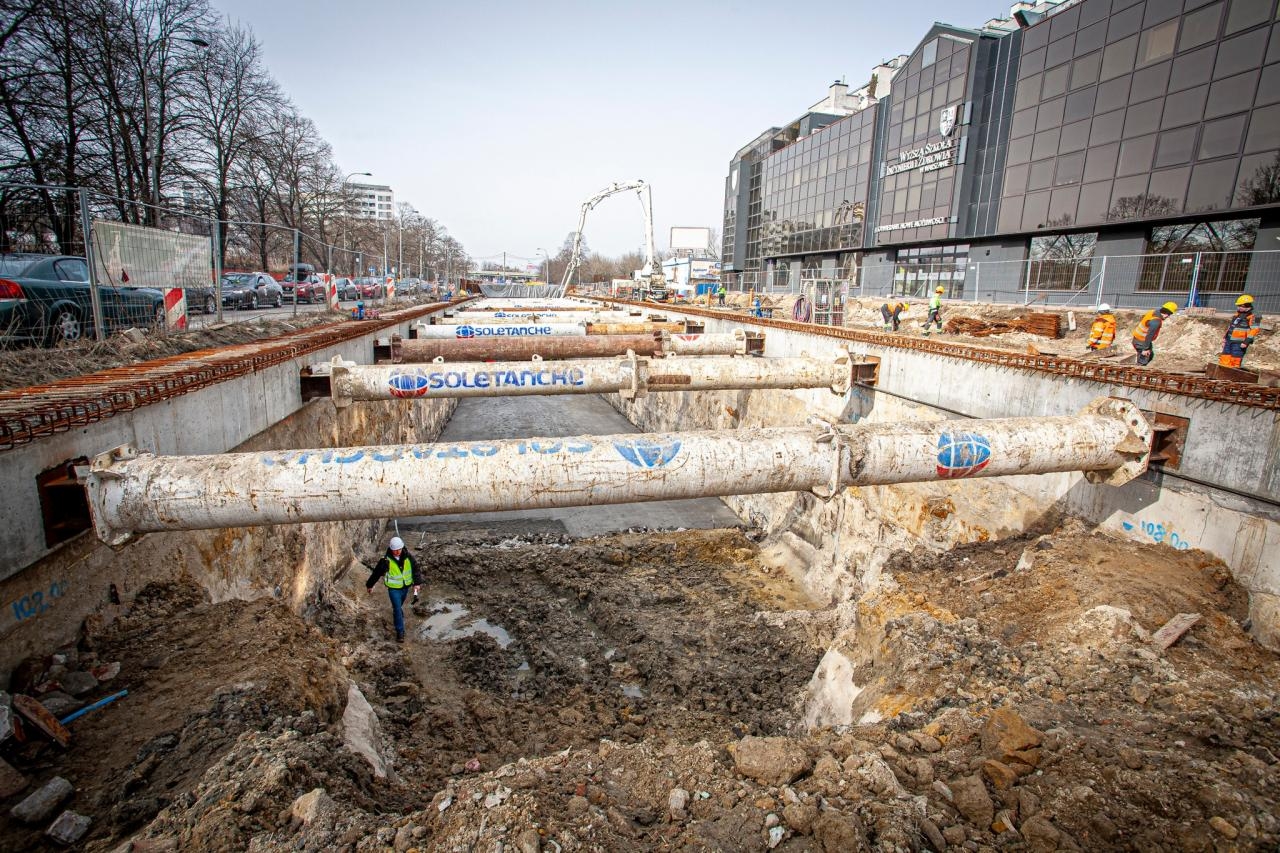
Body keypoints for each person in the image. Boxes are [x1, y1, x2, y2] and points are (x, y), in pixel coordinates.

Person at [365, 536, 419, 643]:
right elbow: (376, 573)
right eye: (394, 550)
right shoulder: (385, 560)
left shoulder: (408, 557)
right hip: (393, 589)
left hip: (405, 588)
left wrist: (417, 583)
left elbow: (416, 569)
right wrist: (370, 585)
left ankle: (398, 615)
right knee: (397, 608)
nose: (397, 552)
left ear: (402, 548)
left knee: (399, 607)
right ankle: (400, 632)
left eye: (398, 550)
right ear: (391, 549)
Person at [1219, 294, 1262, 368]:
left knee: (1235, 359)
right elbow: (1231, 327)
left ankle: (1233, 376)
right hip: (1229, 340)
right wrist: (1224, 338)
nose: (1238, 307)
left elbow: (1254, 330)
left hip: (1239, 343)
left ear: (1247, 306)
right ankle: (1222, 372)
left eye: (1240, 306)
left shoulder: (1255, 316)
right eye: (1238, 306)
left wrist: (1246, 341)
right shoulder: (1237, 314)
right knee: (1225, 357)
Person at [1131, 302, 1178, 366]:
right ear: (1167, 313)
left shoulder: (1153, 312)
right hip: (1141, 341)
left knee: (1150, 355)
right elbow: (1149, 335)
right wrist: (1145, 349)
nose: (1168, 316)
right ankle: (1137, 371)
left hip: (1139, 339)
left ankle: (1139, 367)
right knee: (1144, 359)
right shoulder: (1156, 322)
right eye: (1169, 314)